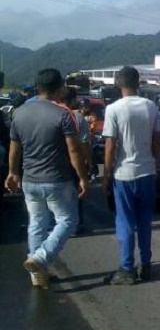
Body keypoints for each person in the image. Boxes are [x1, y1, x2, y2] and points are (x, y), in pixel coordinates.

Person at [6, 68, 89, 289]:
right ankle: (41, 258)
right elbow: (74, 151)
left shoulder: (20, 113)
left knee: (37, 223)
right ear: (59, 88)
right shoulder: (62, 114)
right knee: (68, 221)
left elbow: (15, 147)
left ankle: (37, 274)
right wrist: (82, 177)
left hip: (29, 180)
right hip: (56, 180)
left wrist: (12, 172)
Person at [102, 66, 160, 285]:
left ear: (118, 84)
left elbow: (110, 145)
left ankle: (127, 268)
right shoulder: (151, 106)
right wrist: (154, 163)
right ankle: (146, 265)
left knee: (125, 221)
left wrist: (106, 175)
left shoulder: (113, 109)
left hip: (124, 174)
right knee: (145, 220)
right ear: (139, 83)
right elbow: (157, 142)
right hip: (147, 172)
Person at [62, 87, 93, 234]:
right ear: (73, 100)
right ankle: (76, 224)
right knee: (77, 193)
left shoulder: (53, 114)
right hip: (75, 162)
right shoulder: (78, 118)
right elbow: (84, 144)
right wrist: (90, 163)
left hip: (56, 163)